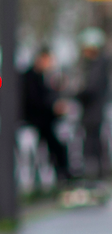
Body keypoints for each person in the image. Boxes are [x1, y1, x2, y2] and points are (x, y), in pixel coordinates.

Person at [21, 47, 70, 184]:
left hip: (43, 120)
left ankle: (63, 175)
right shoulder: (30, 77)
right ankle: (63, 176)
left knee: (59, 145)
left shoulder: (40, 76)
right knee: (55, 146)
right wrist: (53, 108)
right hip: (36, 121)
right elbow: (35, 101)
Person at [76, 28, 110, 181]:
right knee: (94, 142)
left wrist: (76, 94)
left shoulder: (97, 65)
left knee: (92, 144)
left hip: (92, 112)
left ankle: (94, 176)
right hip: (93, 111)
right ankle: (98, 174)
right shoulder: (96, 65)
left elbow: (91, 88)